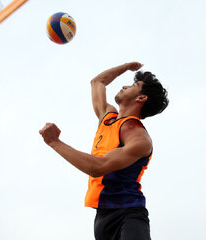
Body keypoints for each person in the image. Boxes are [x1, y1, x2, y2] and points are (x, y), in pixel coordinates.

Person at [39, 62, 169, 240]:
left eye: (133, 85)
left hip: (128, 214)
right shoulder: (107, 116)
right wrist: (127, 67)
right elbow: (97, 82)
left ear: (141, 98)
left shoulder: (138, 137)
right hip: (102, 219)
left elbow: (98, 167)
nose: (125, 85)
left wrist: (55, 142)